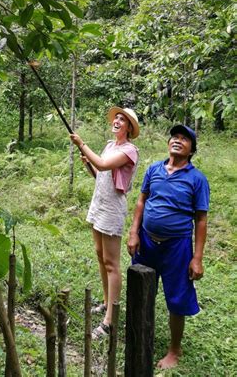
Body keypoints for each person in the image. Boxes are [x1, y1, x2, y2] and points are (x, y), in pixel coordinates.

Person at [127, 124, 210, 370]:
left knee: (177, 297)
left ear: (191, 150)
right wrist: (133, 233)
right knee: (141, 290)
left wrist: (197, 258)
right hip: (147, 241)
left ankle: (175, 349)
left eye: (184, 139)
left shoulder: (197, 179)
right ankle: (139, 334)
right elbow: (141, 201)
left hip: (178, 246)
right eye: (174, 137)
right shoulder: (154, 169)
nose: (177, 140)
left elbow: (201, 219)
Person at [70, 106, 140, 339]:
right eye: (116, 118)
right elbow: (100, 173)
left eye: (123, 120)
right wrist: (89, 164)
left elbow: (102, 164)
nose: (117, 121)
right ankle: (106, 301)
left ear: (129, 128)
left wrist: (82, 144)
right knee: (100, 255)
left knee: (112, 263)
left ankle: (110, 319)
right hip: (98, 203)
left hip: (112, 209)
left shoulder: (130, 150)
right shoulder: (110, 146)